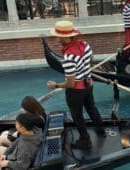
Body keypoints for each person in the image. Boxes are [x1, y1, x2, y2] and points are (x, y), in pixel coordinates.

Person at [47, 20, 106, 150]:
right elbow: (90, 59)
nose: (57, 40)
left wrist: (55, 86)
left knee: (77, 115)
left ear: (67, 37)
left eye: (59, 37)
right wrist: (83, 68)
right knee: (92, 108)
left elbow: (70, 83)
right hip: (89, 84)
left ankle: (85, 141)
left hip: (76, 91)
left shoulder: (68, 58)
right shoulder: (85, 45)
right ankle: (101, 131)